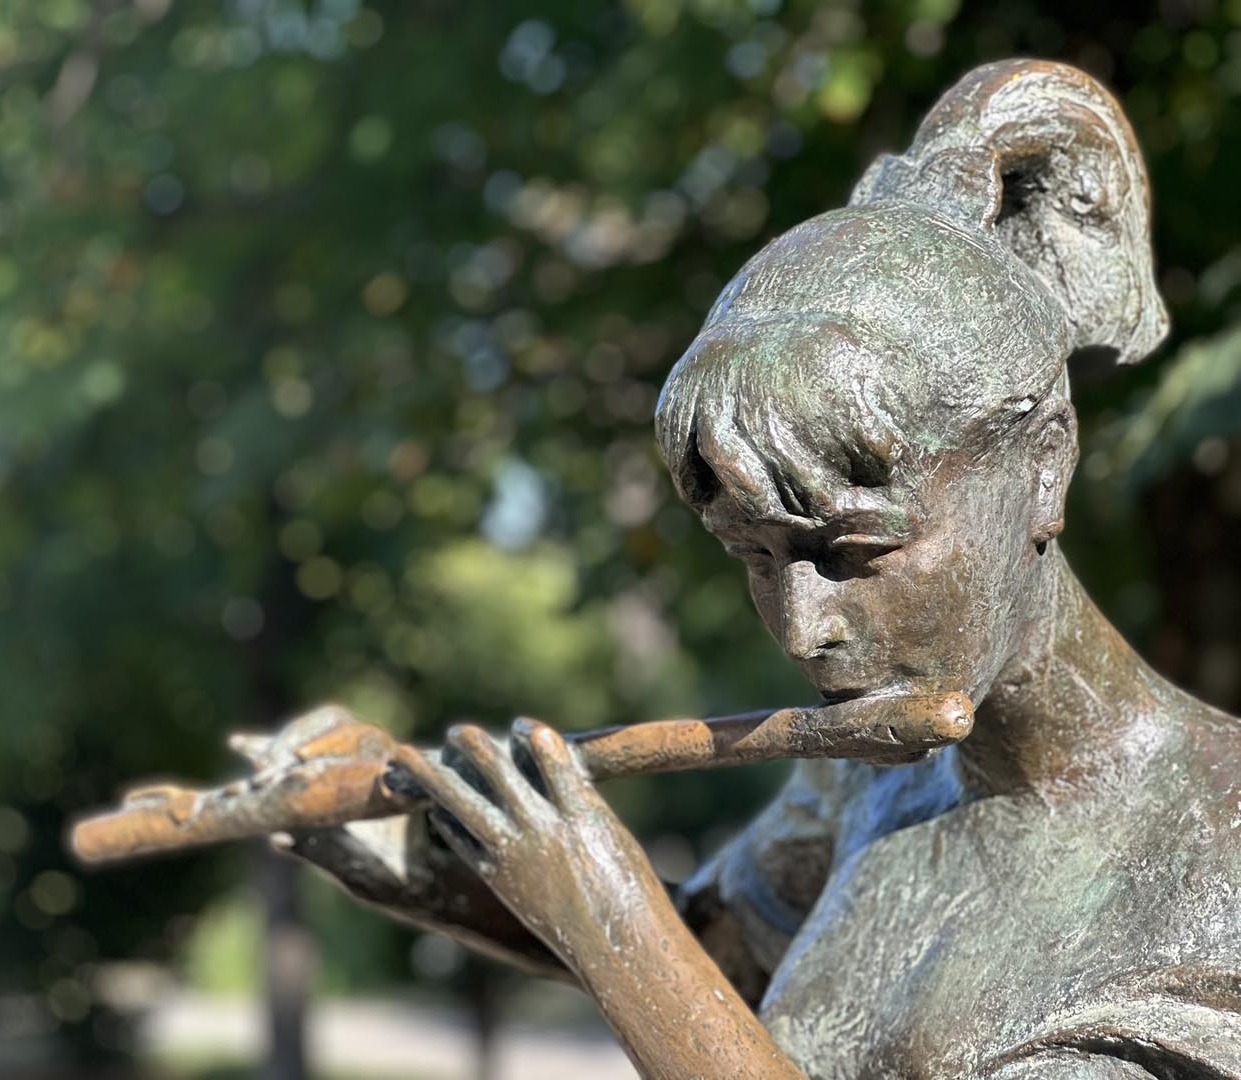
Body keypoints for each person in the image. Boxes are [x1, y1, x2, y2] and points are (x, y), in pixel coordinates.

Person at [280, 60, 1241, 1078]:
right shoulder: (863, 792)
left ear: (1044, 467)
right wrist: (446, 866)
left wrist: (618, 935)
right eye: (757, 556)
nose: (802, 626)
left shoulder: (1215, 856)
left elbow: (658, 973)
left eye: (849, 550)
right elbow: (720, 971)